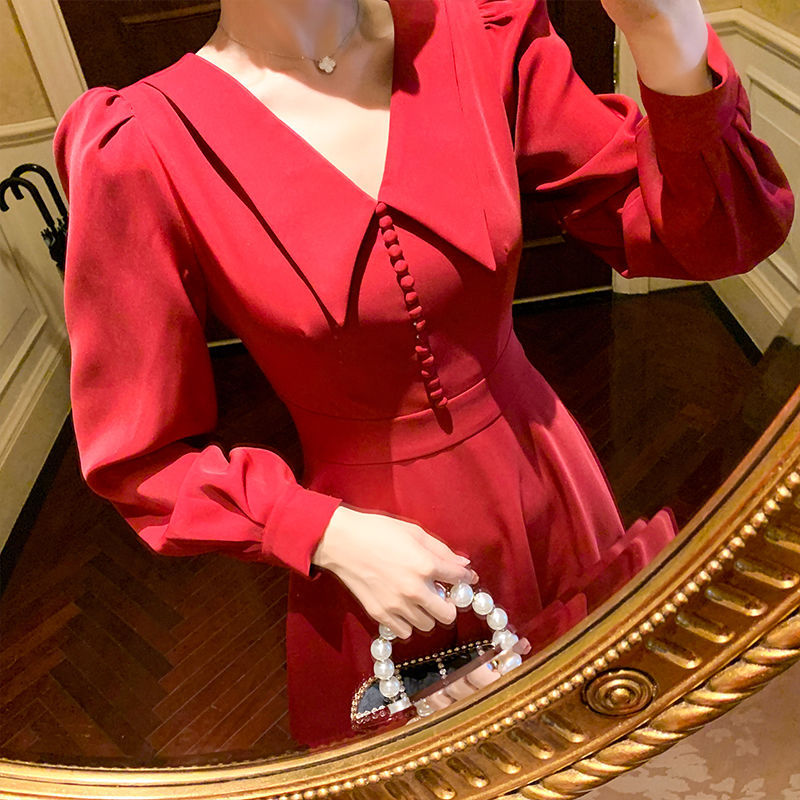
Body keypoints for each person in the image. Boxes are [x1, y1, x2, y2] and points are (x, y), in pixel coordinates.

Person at [52, 0, 794, 748]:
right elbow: (135, 457)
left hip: (549, 482)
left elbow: (709, 240)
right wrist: (318, 531)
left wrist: (664, 30)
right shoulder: (141, 147)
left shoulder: (478, 34)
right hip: (379, 560)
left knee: (605, 731)